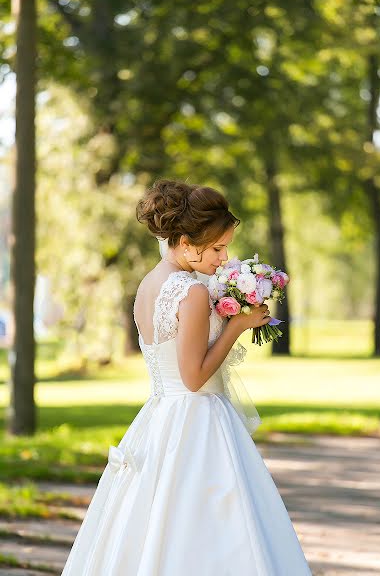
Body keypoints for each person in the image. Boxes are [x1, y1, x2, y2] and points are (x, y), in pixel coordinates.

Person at [61, 179, 312, 575]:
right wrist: (238, 326)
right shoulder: (192, 293)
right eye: (216, 248)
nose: (224, 257)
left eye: (225, 246)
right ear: (182, 240)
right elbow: (193, 377)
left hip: (160, 417)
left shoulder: (150, 283)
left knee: (154, 521)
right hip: (198, 420)